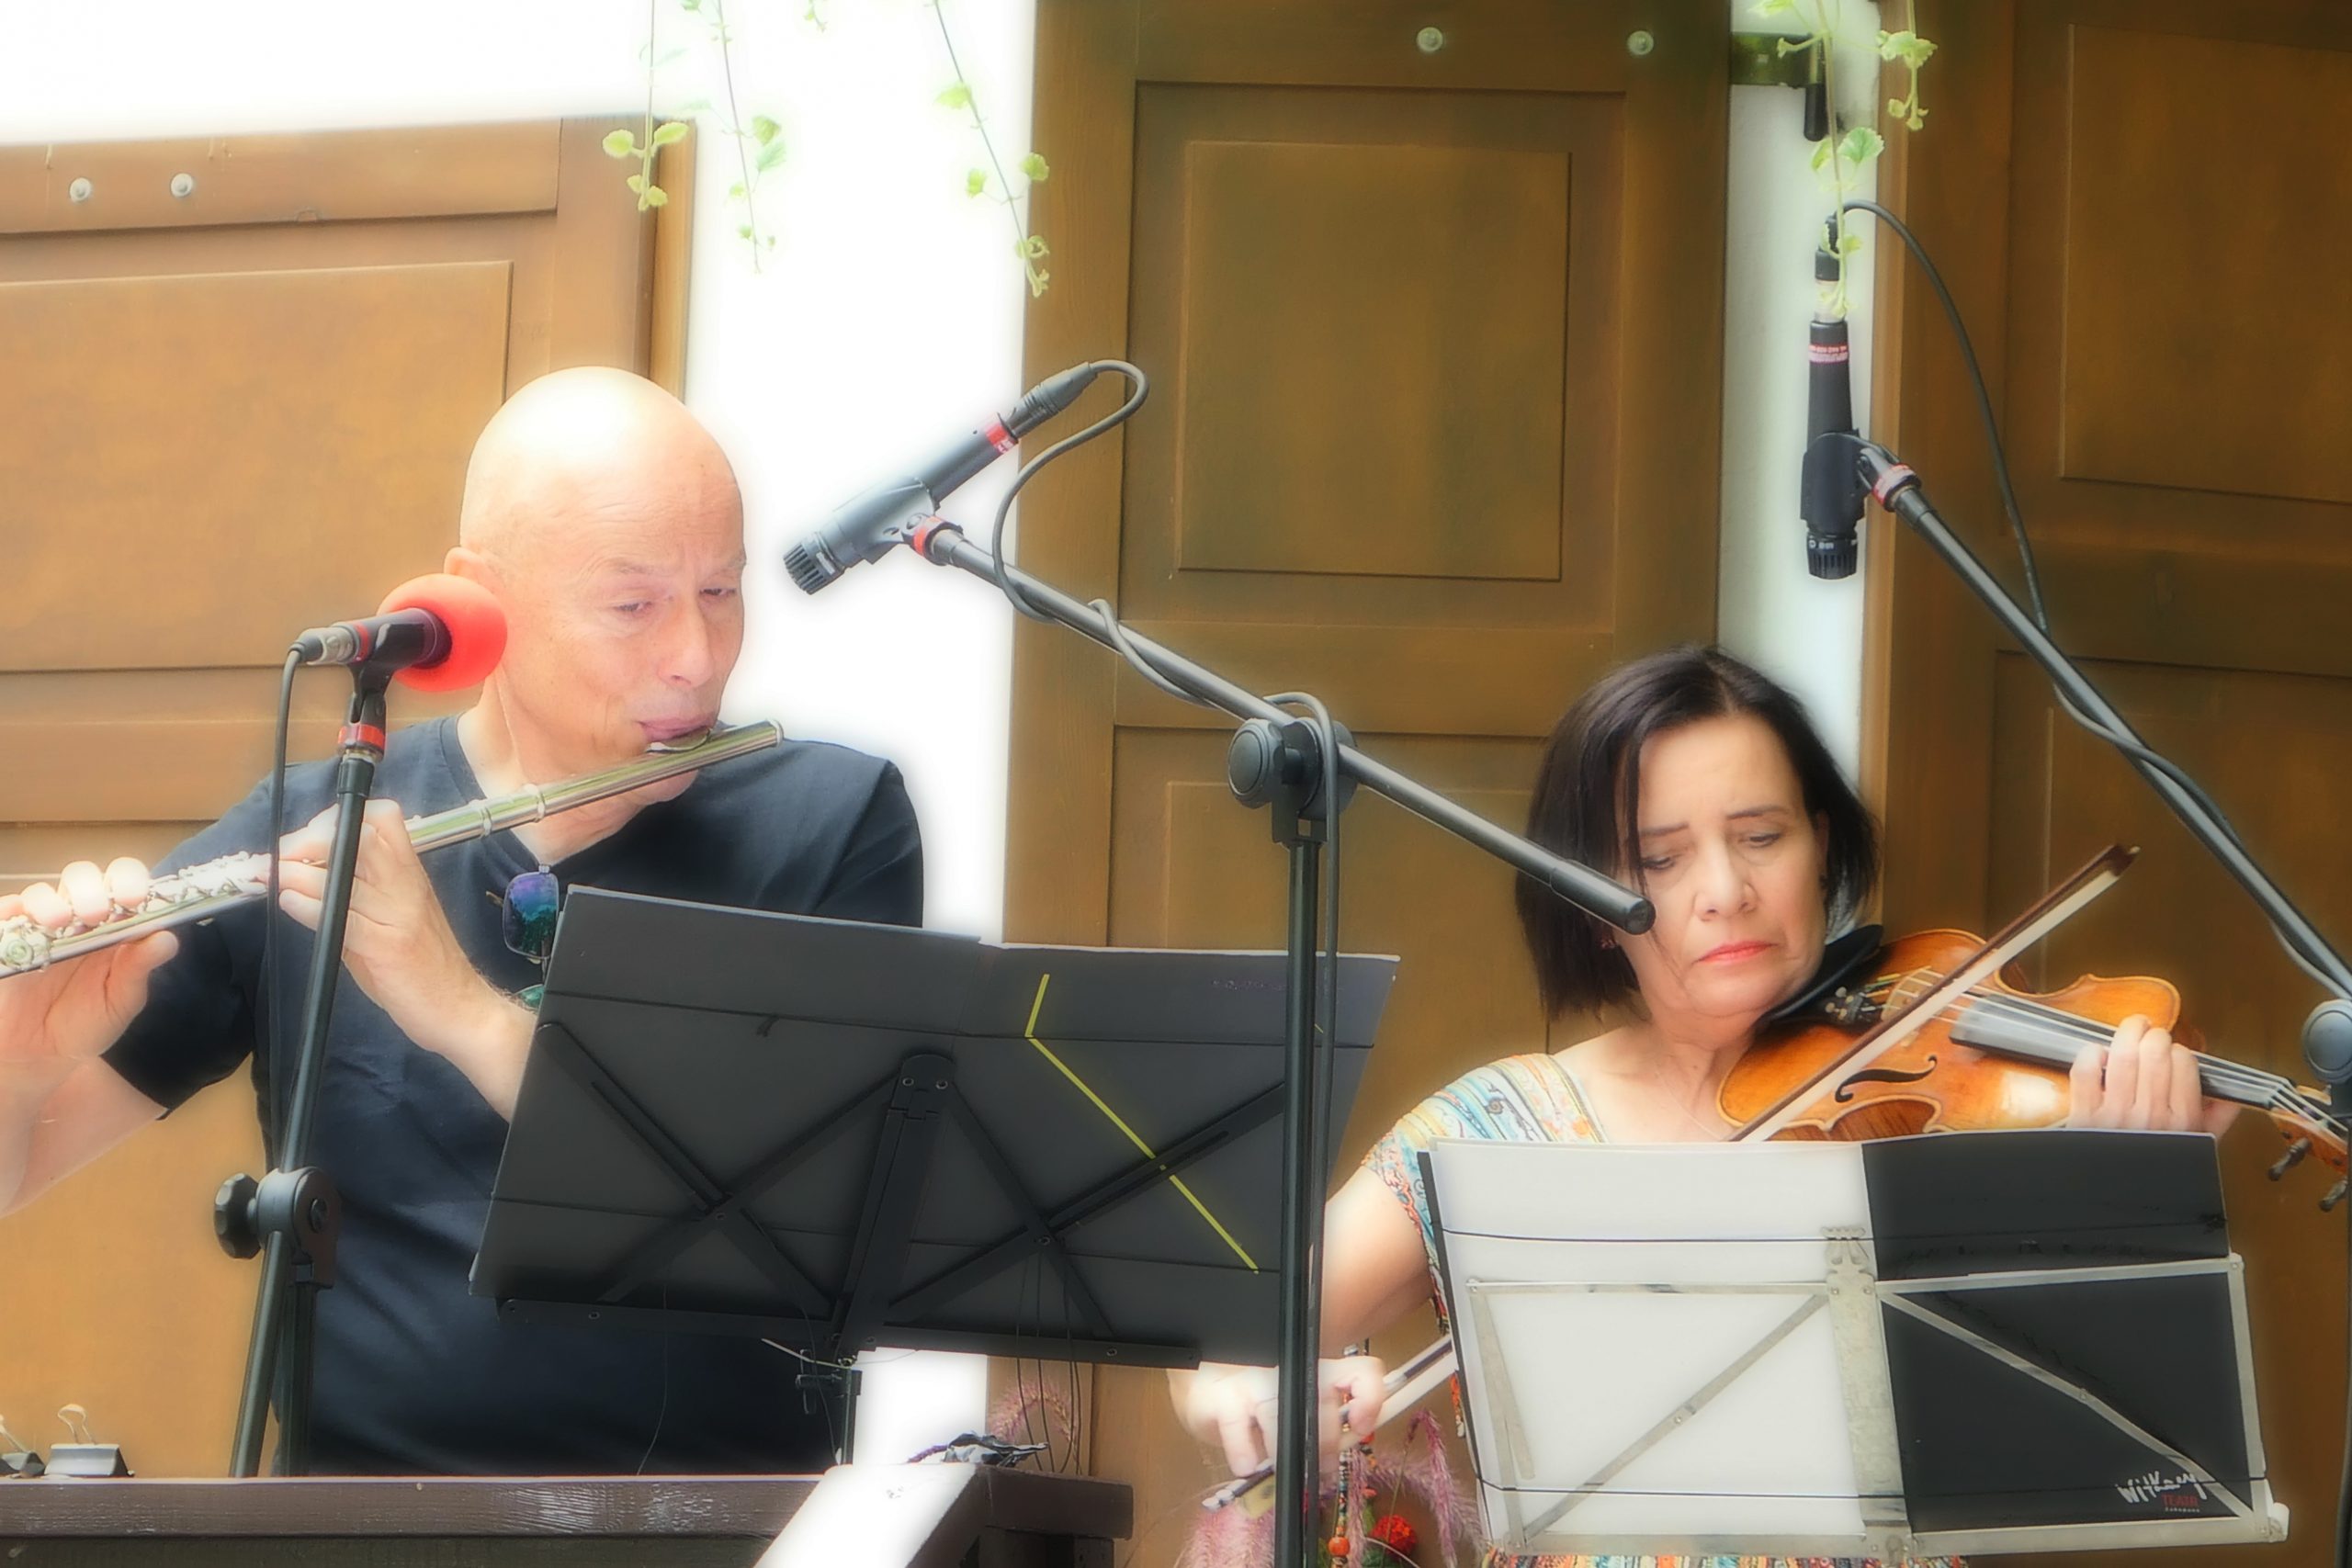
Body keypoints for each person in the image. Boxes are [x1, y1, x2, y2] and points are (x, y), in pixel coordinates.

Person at [0, 367, 922, 1474]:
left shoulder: (829, 823)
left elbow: (816, 1218)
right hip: (361, 1528)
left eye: (720, 591)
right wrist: (20, 1068)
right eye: (634, 606)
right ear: (480, 600)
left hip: (720, 1524)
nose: (696, 655)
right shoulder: (320, 831)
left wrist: (457, 1006)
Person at [1170, 644, 2234, 1566]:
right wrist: (1242, 1393)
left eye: (1762, 836)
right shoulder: (1495, 1131)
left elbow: (2085, 1444)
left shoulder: (1939, 1118)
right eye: (1660, 859)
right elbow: (1233, 1338)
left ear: (1823, 846)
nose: (1724, 891)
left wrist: (2119, 1196)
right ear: (1592, 906)